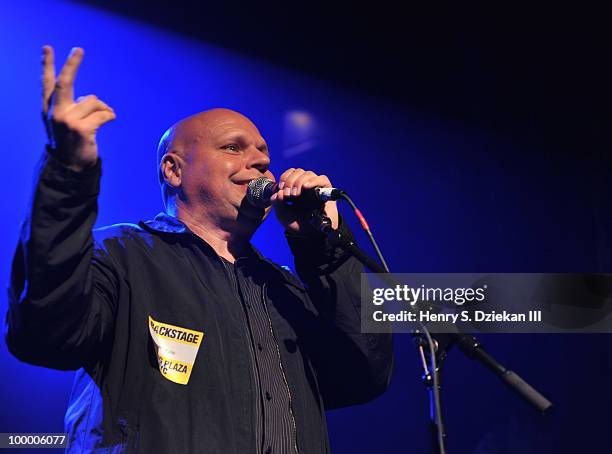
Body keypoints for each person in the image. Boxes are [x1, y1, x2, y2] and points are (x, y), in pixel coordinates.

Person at [4, 46, 394, 453]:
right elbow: (42, 333)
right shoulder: (121, 255)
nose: (260, 162)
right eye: (233, 148)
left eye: (263, 154)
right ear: (173, 169)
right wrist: (68, 173)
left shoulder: (286, 289)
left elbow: (364, 374)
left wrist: (323, 251)